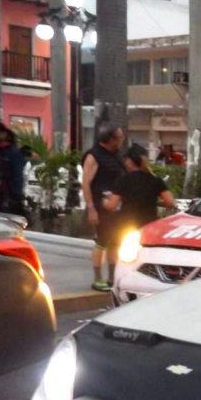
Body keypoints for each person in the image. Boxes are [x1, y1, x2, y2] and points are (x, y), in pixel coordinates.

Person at [81, 123, 126, 291]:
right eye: (119, 137)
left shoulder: (117, 154)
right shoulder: (93, 156)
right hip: (101, 205)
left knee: (115, 241)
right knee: (101, 241)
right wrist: (91, 209)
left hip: (116, 205)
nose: (121, 140)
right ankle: (97, 278)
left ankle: (112, 277)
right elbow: (86, 184)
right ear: (110, 139)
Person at [102, 143, 176, 235]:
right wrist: (154, 202)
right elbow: (170, 202)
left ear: (130, 161)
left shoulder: (124, 179)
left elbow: (112, 205)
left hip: (126, 226)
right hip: (149, 226)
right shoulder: (155, 179)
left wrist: (102, 201)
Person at [0, 122, 27, 217]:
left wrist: (15, 196)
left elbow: (17, 177)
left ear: (4, 134)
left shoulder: (11, 152)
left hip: (2, 197)